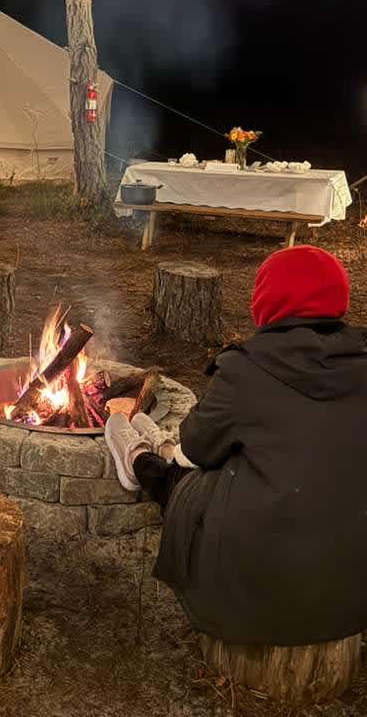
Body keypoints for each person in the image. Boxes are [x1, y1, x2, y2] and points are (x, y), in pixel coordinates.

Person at [104, 245, 367, 646]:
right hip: (348, 594)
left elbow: (196, 450)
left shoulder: (250, 368)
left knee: (184, 481)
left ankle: (136, 457)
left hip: (261, 594)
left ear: (266, 300)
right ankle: (152, 441)